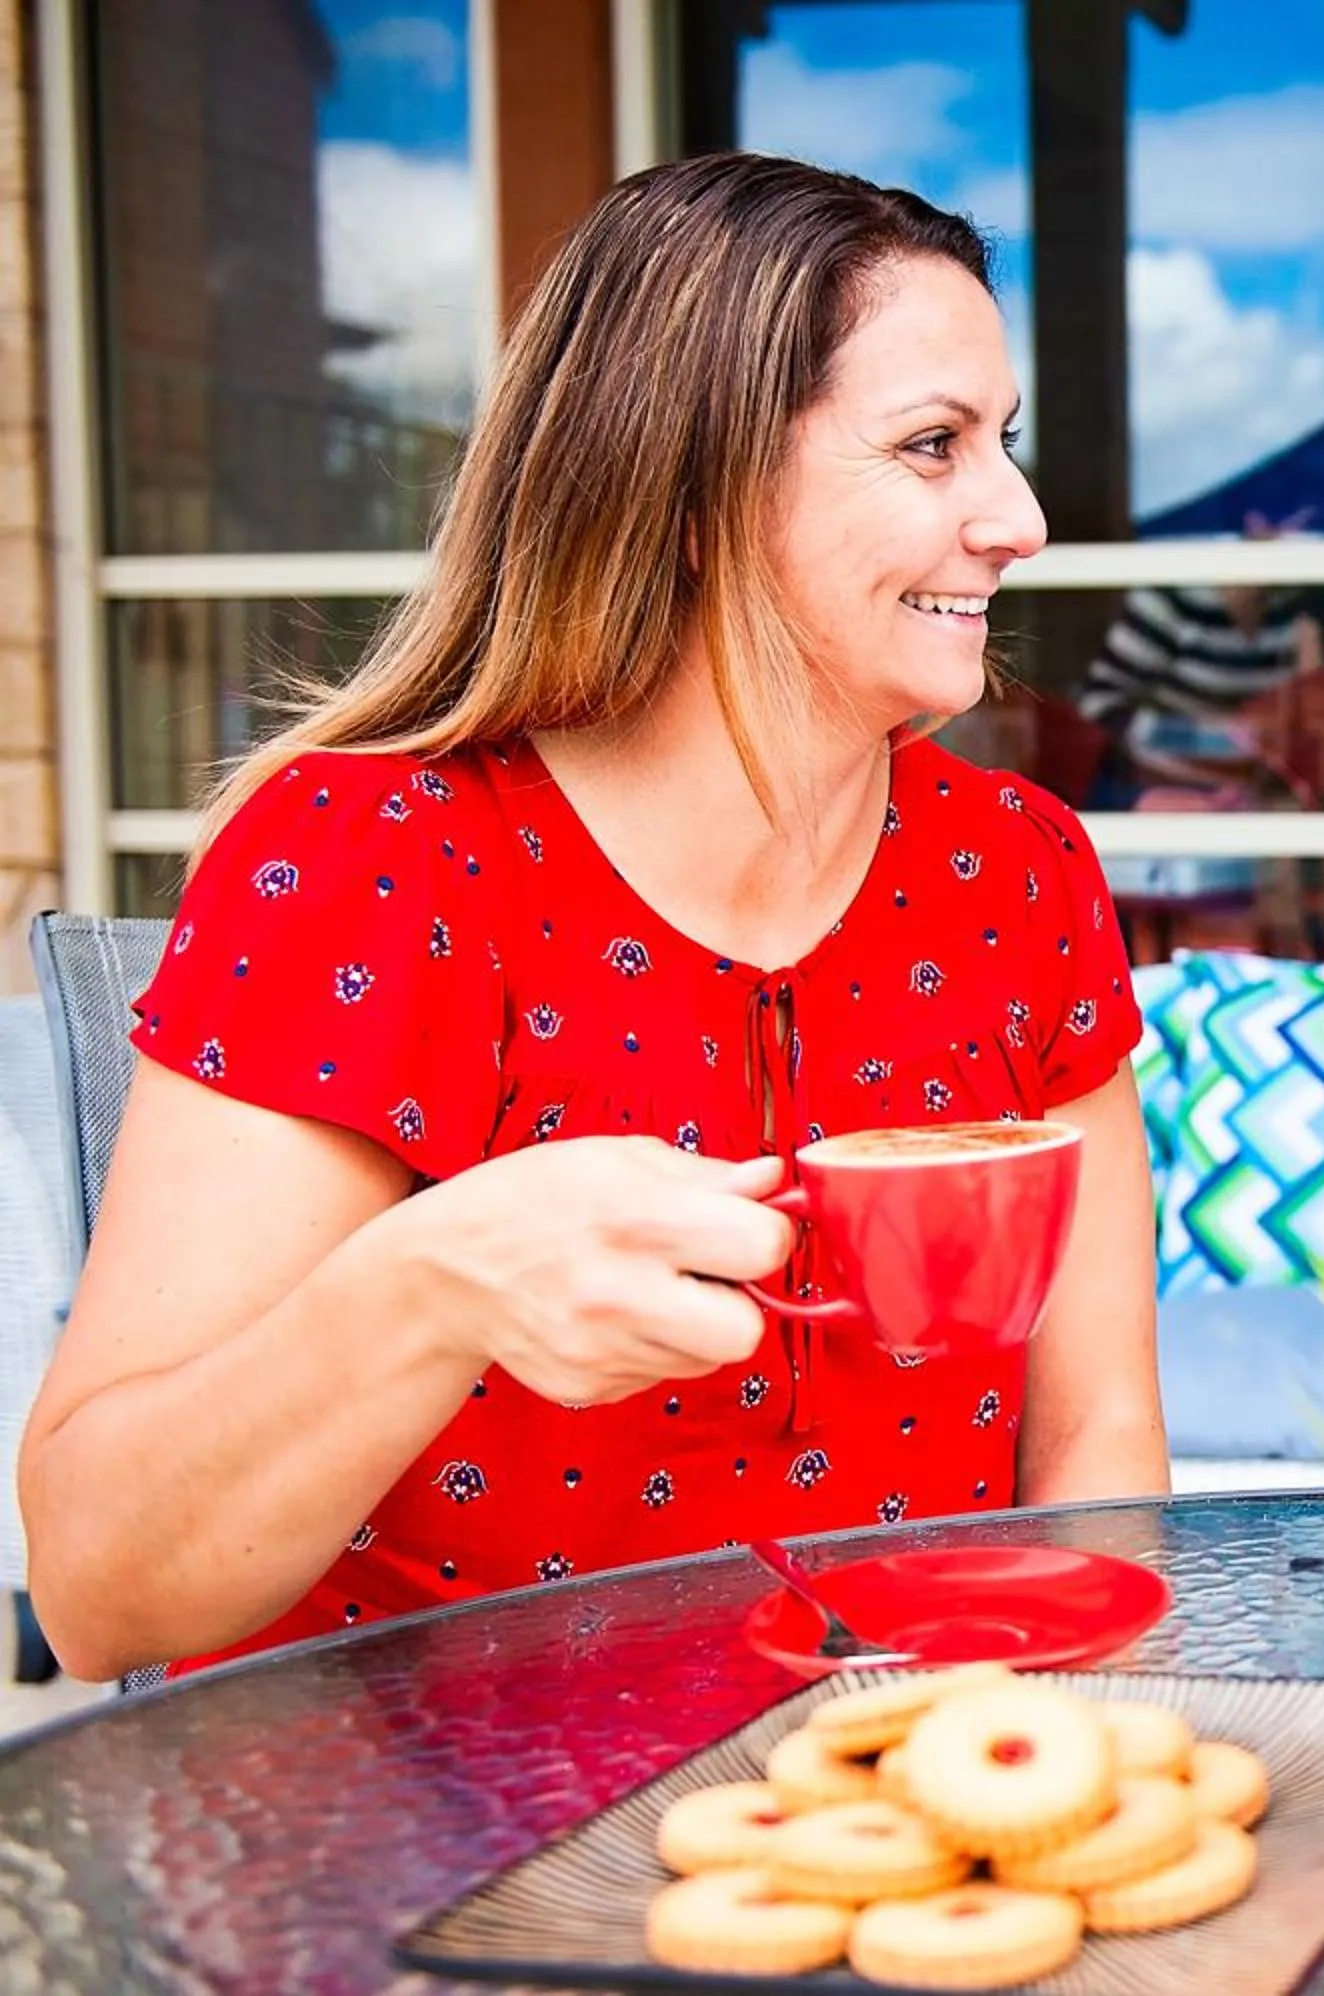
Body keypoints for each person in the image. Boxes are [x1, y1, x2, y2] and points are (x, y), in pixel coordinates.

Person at [17, 154, 1168, 1683]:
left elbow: (1092, 1431)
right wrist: (438, 1287)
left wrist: (1039, 1771)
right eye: (933, 445)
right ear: (693, 489)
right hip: (428, 1846)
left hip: (884, 1807)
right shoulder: (380, 860)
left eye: (1001, 443)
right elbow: (101, 1594)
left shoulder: (1018, 869)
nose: (1017, 516)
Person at [1075, 511, 1324, 798]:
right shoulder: (1174, 600)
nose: (1296, 532)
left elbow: (1314, 730)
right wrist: (1206, 739)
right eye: (1286, 517)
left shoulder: (1293, 611)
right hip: (1166, 798)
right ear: (1249, 521)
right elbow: (1095, 706)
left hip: (1255, 799)